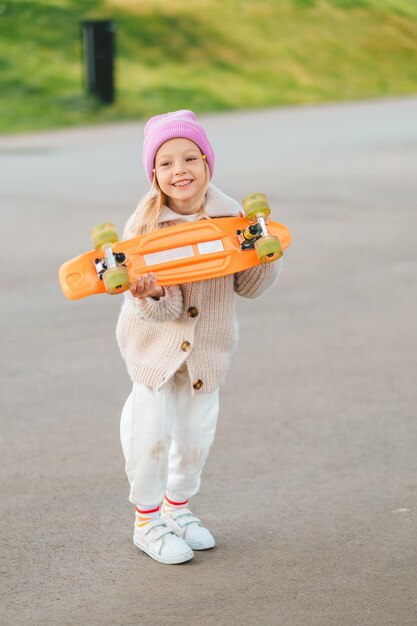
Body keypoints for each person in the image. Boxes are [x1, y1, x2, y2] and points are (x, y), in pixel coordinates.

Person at [116, 110, 282, 564]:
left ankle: (178, 508)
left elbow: (248, 289)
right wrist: (150, 294)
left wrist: (263, 255)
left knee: (194, 439)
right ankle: (147, 521)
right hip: (155, 352)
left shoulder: (234, 220)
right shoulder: (144, 230)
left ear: (209, 163)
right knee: (148, 436)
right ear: (154, 174)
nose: (179, 170)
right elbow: (162, 312)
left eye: (191, 157)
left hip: (206, 353)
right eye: (166, 163)